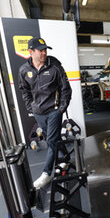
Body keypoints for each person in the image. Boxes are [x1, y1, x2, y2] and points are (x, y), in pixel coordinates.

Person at [18, 37, 72, 188]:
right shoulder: (24, 70)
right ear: (31, 52)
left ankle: (46, 173)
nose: (44, 53)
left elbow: (65, 89)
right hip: (38, 112)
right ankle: (65, 160)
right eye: (40, 50)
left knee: (52, 141)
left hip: (54, 111)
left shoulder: (54, 65)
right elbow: (24, 91)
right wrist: (31, 107)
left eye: (45, 50)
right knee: (52, 139)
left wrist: (61, 108)